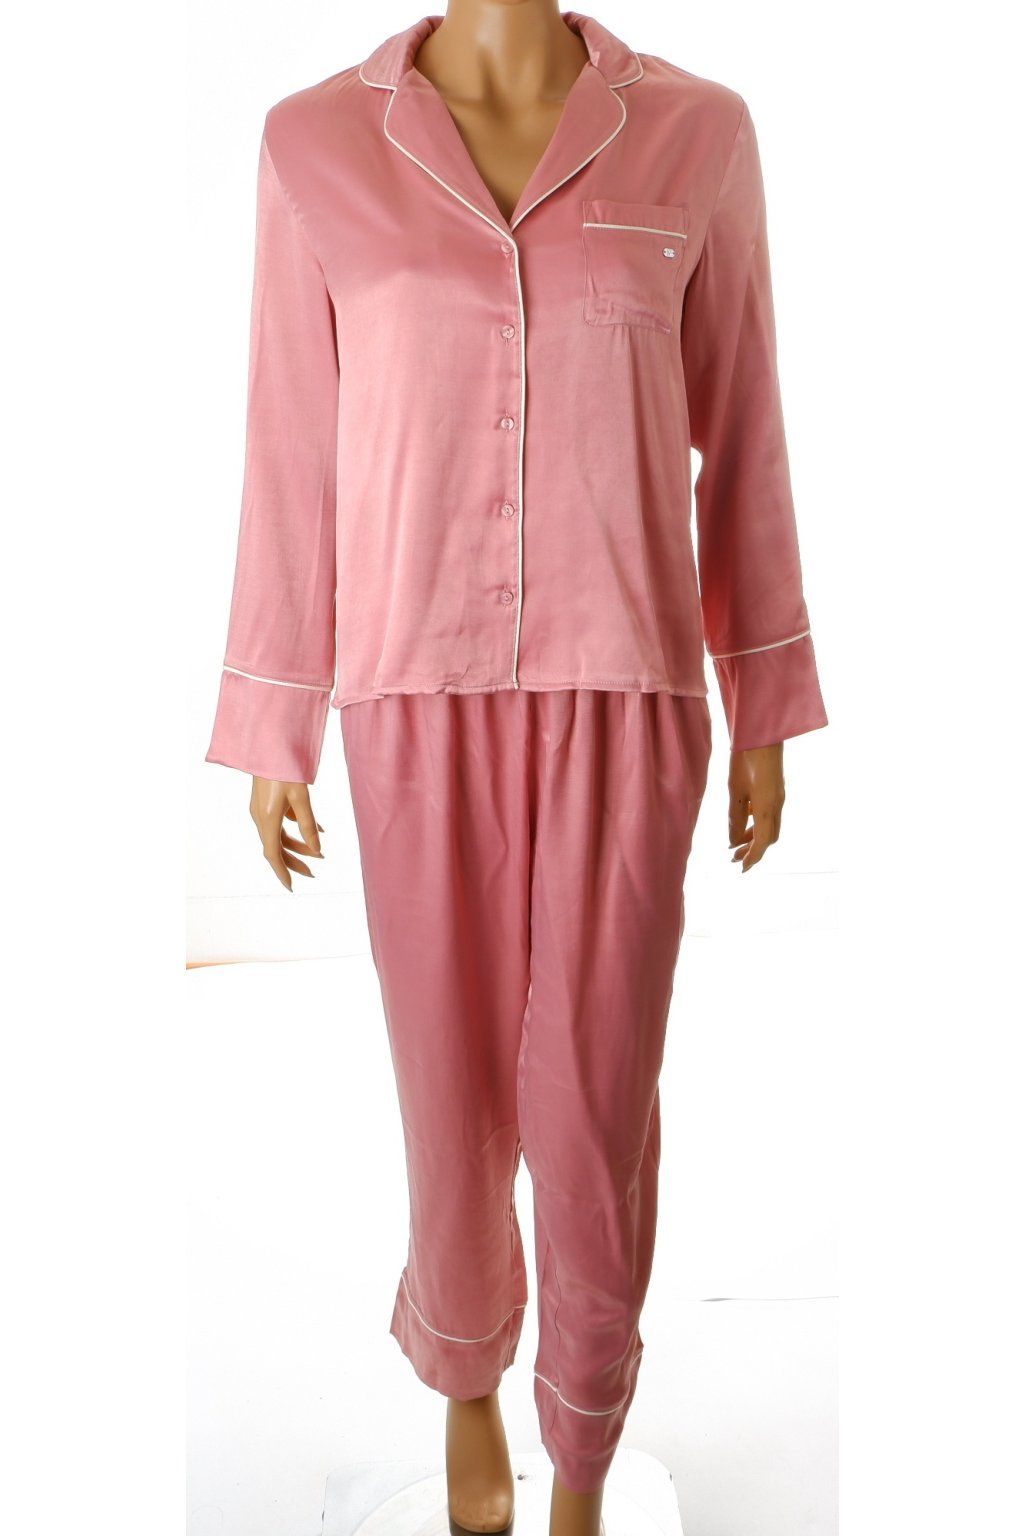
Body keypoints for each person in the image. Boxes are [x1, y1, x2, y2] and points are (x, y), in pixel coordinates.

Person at [206, 7, 827, 1533]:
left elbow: (745, 427)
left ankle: (586, 1445)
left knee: (596, 1108)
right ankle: (469, 1387)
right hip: (412, 693)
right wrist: (276, 718)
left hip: (628, 692)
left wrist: (763, 697)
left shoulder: (696, 134)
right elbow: (291, 449)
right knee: (450, 1092)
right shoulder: (313, 143)